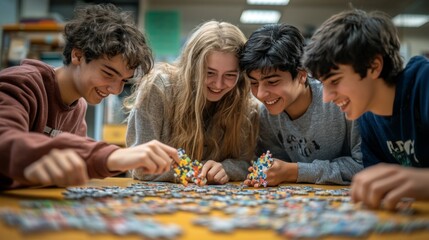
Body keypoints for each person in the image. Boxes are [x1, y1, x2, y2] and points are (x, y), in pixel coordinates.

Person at [0, 3, 180, 189]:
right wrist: (113, 155)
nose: (116, 90)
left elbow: (77, 157)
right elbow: (5, 138)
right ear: (77, 55)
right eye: (108, 74)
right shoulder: (22, 82)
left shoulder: (78, 107)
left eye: (123, 81)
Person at [302, 9, 429, 210]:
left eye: (334, 81)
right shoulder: (367, 116)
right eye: (323, 84)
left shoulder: (424, 82)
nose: (326, 98)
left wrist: (422, 181)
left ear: (373, 66)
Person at [125, 20, 259, 185]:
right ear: (192, 67)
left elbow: (248, 164)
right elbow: (140, 166)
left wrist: (226, 168)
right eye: (209, 73)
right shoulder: (158, 88)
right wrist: (197, 170)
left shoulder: (245, 103)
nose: (218, 84)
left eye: (230, 75)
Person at [239, 23, 363, 186]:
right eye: (254, 83)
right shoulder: (267, 116)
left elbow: (364, 165)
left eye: (273, 82)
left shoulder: (339, 101)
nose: (261, 94)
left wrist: (295, 171)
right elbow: (275, 168)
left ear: (301, 75)